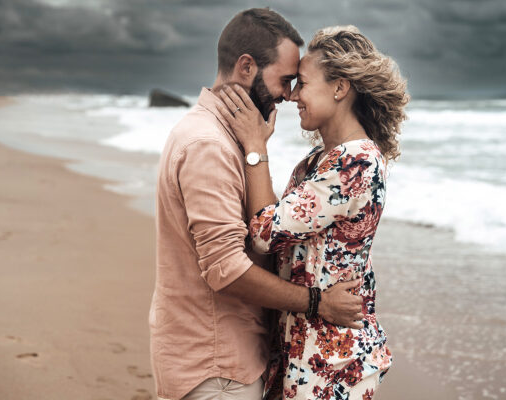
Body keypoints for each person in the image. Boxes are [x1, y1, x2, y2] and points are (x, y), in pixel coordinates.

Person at [149, 10, 365, 400]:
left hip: (221, 358)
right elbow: (227, 270)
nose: (288, 94)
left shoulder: (219, 137)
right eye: (285, 80)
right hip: (216, 366)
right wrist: (320, 304)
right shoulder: (208, 147)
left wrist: (256, 147)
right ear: (246, 67)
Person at [216, 26, 409, 399]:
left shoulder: (356, 163)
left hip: (334, 361)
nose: (291, 96)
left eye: (302, 83)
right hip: (306, 349)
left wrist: (255, 146)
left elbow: (264, 233)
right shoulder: (320, 160)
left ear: (339, 88)